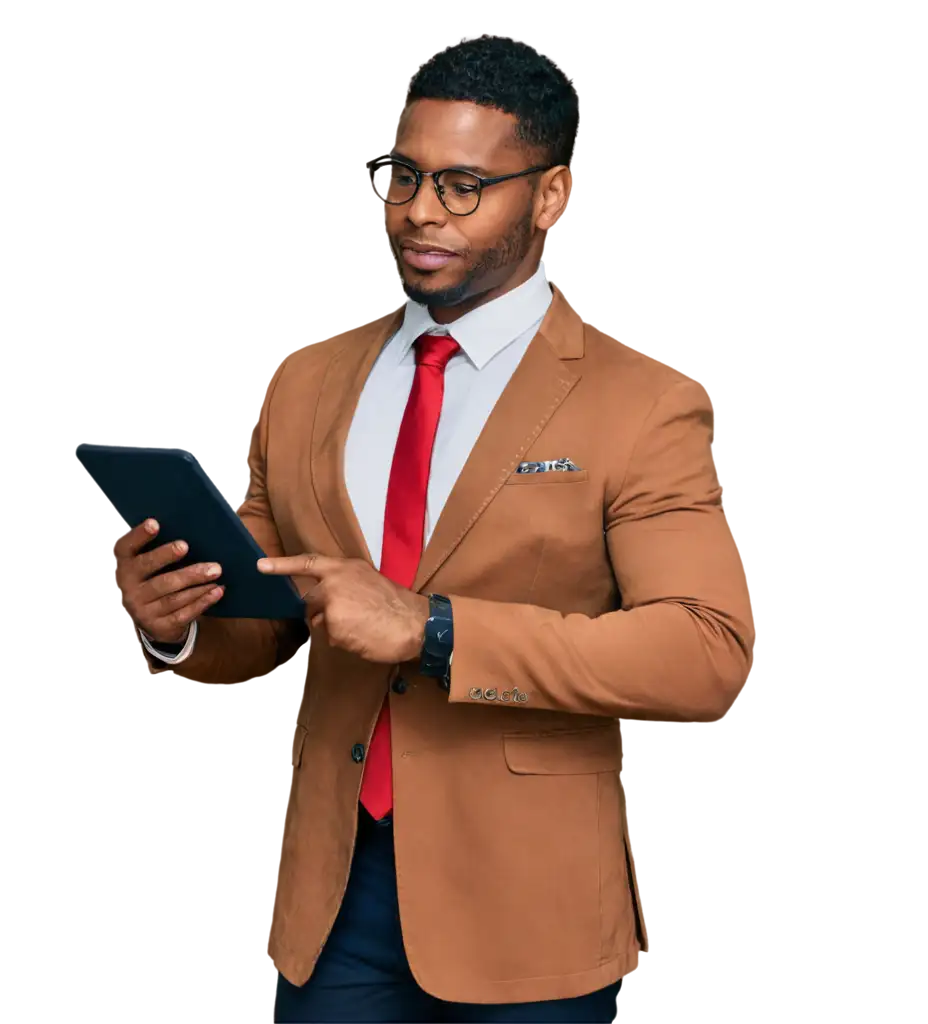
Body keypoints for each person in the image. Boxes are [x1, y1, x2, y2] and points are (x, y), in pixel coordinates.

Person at [112, 35, 752, 1024]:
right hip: (334, 899)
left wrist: (435, 628)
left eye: (462, 184)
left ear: (549, 197)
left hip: (528, 909)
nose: (418, 210)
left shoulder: (639, 403)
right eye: (401, 176)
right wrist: (176, 620)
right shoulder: (305, 377)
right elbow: (278, 624)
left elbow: (700, 648)